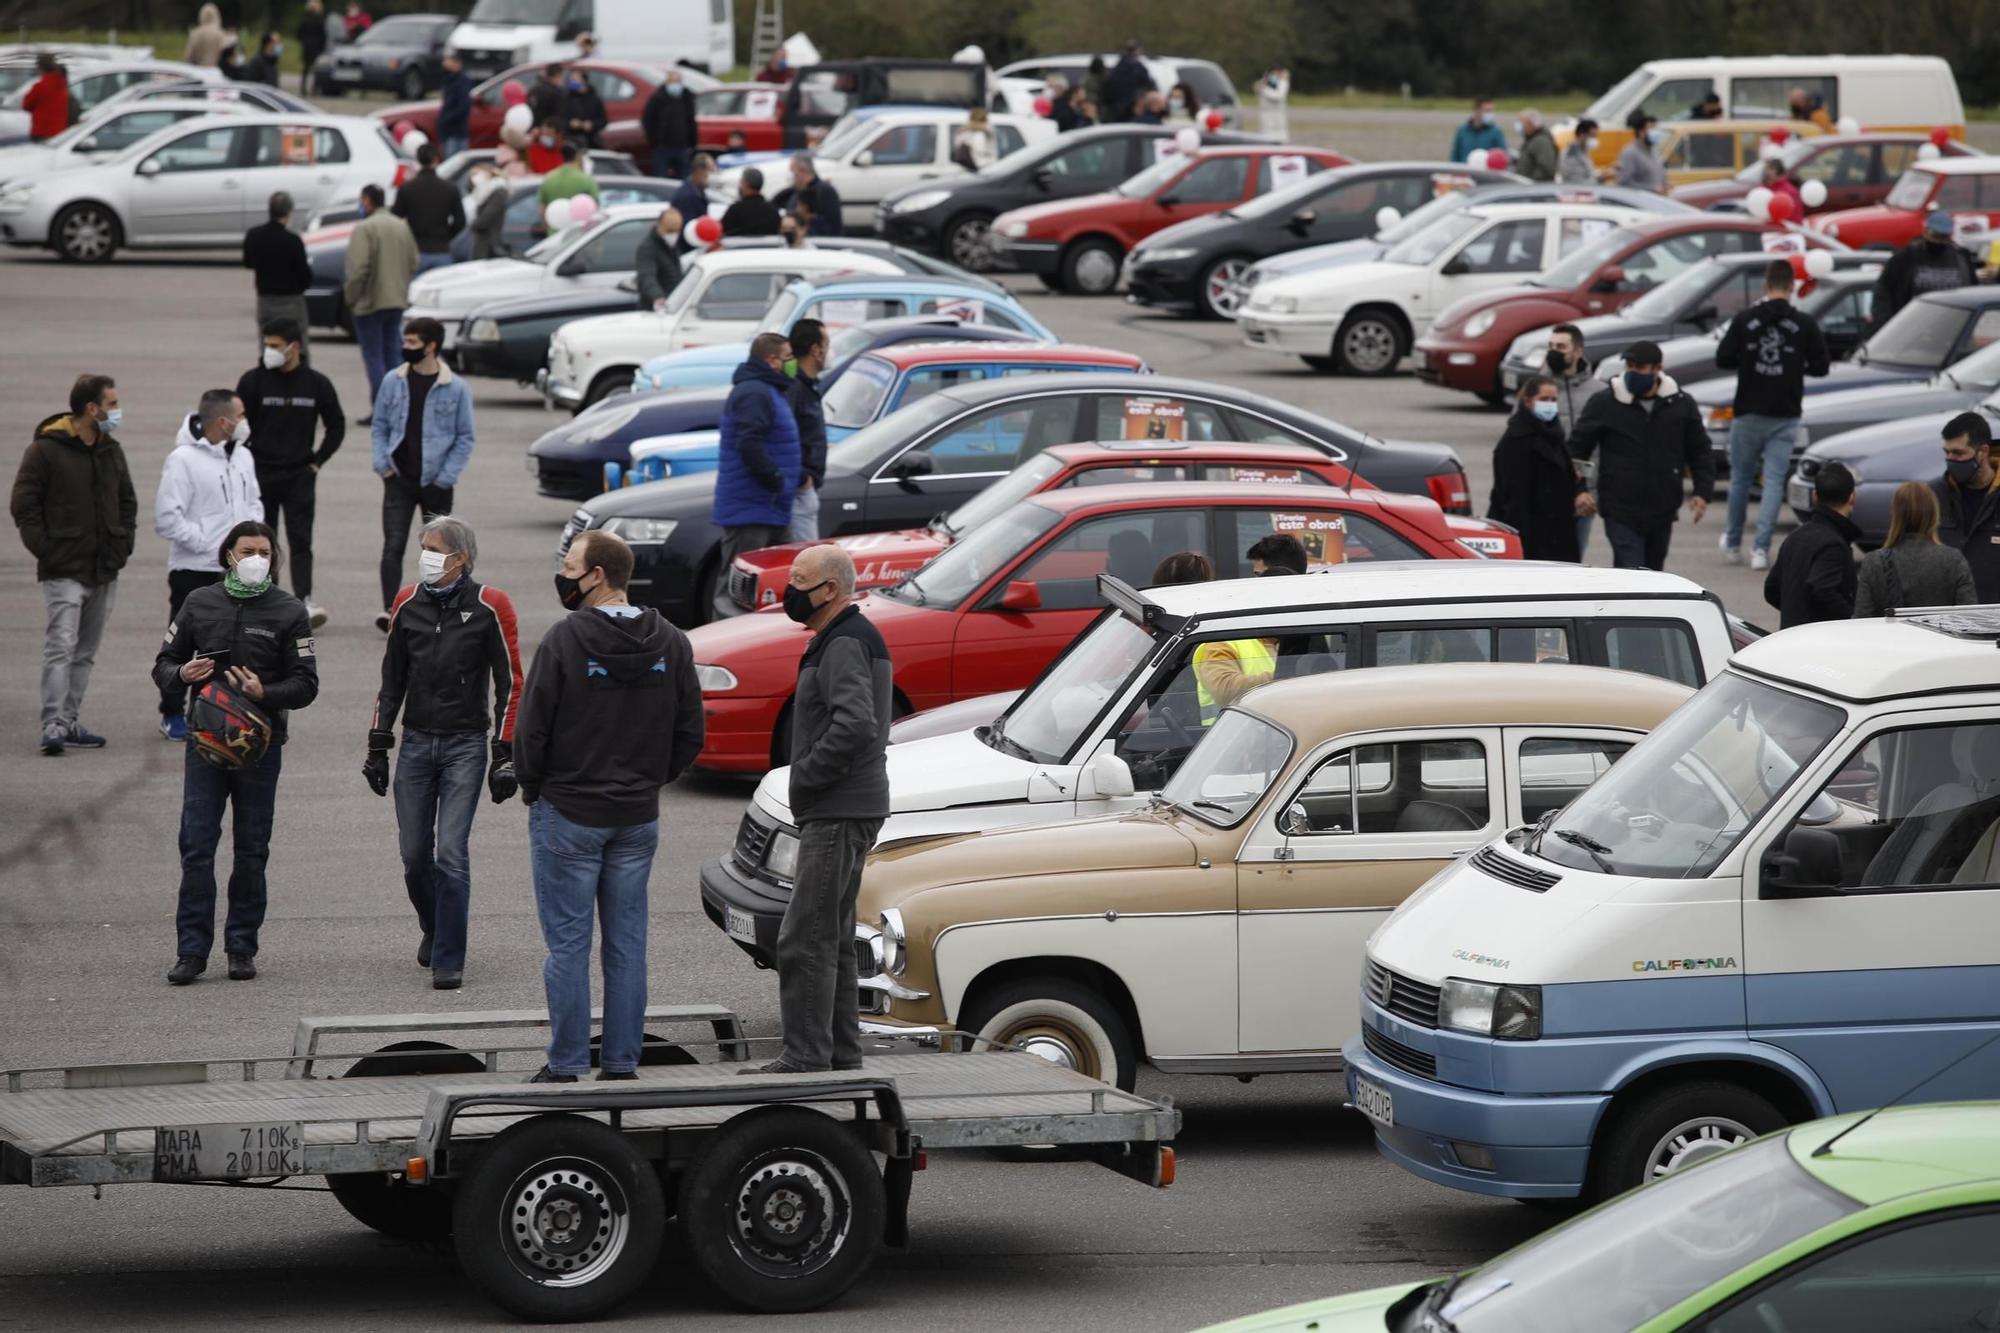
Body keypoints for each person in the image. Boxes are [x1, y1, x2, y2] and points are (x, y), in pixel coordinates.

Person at [516, 529, 702, 1080]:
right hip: (636, 815)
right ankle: (621, 1062)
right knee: (627, 945)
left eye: (571, 566)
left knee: (568, 946)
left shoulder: (566, 639)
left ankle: (568, 1063)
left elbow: (532, 729)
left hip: (569, 811)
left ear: (597, 575)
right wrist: (650, 779)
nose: (564, 575)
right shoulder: (671, 641)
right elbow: (690, 731)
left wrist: (534, 787)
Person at [157, 519, 319, 986]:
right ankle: (191, 951)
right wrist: (183, 675)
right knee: (197, 847)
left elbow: (306, 685)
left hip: (260, 749)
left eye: (265, 553)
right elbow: (163, 665)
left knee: (251, 850)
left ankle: (241, 948)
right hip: (205, 747)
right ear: (228, 554)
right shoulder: (198, 602)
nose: (256, 559)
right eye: (247, 550)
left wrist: (264, 690)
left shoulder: (289, 611)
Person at [750, 544, 891, 1074]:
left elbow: (854, 725)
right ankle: (838, 1056)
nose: (789, 590)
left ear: (829, 589)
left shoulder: (845, 642)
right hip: (843, 806)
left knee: (803, 935)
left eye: (800, 580)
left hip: (838, 807)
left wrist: (804, 776)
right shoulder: (843, 637)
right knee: (830, 938)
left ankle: (806, 1057)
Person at [367, 516, 522, 990]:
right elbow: (391, 679)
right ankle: (434, 927)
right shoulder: (406, 602)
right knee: (414, 855)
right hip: (415, 743)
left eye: (434, 548)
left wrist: (504, 752)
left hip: (465, 746)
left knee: (451, 852)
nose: (425, 557)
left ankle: (450, 956)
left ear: (461, 559)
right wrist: (378, 743)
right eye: (423, 547)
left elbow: (512, 683)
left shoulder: (492, 605)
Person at [13, 374, 133, 756]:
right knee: (60, 646)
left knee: (85, 651)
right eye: (112, 404)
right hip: (64, 568)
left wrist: (122, 544)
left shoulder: (111, 449)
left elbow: (127, 501)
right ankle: (52, 722)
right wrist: (47, 550)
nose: (117, 411)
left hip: (104, 567)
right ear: (91, 409)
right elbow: (24, 506)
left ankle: (69, 718)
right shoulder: (46, 451)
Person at [155, 389, 264, 742]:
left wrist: (251, 549)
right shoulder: (183, 459)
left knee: (230, 643)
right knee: (184, 643)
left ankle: (217, 706)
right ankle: (172, 710)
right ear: (223, 421)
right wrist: (212, 546)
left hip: (237, 570)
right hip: (194, 569)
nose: (246, 422)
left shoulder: (243, 456)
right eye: (242, 415)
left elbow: (254, 503)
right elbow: (167, 519)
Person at [1716, 259, 1830, 571]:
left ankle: (1733, 541)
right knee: (1774, 482)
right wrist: (1795, 366)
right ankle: (1761, 550)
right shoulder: (1804, 324)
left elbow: (1723, 357)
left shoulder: (1745, 319)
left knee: (1740, 479)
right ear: (1792, 287)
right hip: (1786, 412)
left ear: (1766, 286)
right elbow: (1822, 366)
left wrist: (1747, 360)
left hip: (1748, 410)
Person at [1568, 339, 1713, 571]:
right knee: (1631, 569)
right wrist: (1580, 489)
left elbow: (1699, 450)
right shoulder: (1605, 402)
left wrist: (1702, 492)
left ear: (1657, 369)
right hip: (1619, 507)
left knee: (1654, 573)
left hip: (1663, 508)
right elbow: (1577, 449)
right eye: (1630, 367)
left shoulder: (1681, 404)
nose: (1633, 373)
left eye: (1640, 367)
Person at [371, 317, 476, 628]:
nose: (406, 348)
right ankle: (390, 609)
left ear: (432, 346)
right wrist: (384, 466)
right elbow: (380, 427)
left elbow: (465, 437)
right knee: (393, 545)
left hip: (436, 482)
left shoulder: (455, 387)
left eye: (413, 343)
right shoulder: (393, 381)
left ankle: (439, 606)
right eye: (405, 342)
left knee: (440, 549)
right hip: (399, 479)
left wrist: (444, 478)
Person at [237, 319, 341, 628]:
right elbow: (239, 427)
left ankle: (304, 600)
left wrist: (317, 461)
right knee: (260, 542)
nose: (269, 351)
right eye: (266, 345)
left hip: (299, 475)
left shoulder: (316, 383)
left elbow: (336, 424)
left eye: (274, 345)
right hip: (261, 476)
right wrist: (246, 463)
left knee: (300, 540)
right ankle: (265, 597)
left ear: (294, 347)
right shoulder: (253, 381)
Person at [710, 333, 800, 619]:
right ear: (772, 360)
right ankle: (718, 650)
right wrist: (775, 479)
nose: (792, 364)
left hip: (768, 505)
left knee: (768, 583)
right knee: (736, 587)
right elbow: (749, 444)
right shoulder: (754, 392)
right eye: (788, 358)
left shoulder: (768, 390)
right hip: (752, 506)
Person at [1489, 374, 1589, 562]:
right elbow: (1513, 498)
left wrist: (1579, 490)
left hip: (1558, 532)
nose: (1550, 405)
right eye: (1544, 399)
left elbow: (1568, 473)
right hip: (1532, 537)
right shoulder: (1516, 440)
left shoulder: (1554, 434)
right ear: (1527, 401)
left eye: (1553, 400)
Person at [343, 184, 419, 415]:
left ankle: (381, 409)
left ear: (366, 201)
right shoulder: (401, 226)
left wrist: (352, 297)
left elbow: (358, 269)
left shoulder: (365, 228)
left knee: (374, 357)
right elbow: (414, 261)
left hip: (370, 303)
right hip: (396, 300)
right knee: (393, 354)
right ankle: (398, 405)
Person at [1854, 481, 1978, 616]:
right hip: (1939, 637)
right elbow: (1969, 617)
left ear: (1895, 515)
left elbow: (1861, 619)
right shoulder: (1953, 560)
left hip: (1890, 637)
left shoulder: (1873, 562)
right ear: (1934, 515)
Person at [1764, 461, 1859, 628]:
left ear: (1815, 496)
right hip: (1821, 644)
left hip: (1790, 637)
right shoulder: (1833, 545)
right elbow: (1822, 589)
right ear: (1852, 498)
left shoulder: (1795, 537)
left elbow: (1772, 589)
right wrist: (1852, 619)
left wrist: (1794, 611)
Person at [1540, 323, 1598, 554]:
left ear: (1578, 352)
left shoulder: (1597, 392)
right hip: (1547, 492)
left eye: (1561, 346)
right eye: (1551, 346)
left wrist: (1593, 492)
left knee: (1574, 560)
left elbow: (1603, 447)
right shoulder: (1536, 389)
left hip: (1583, 496)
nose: (1554, 351)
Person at [1934, 410, 2000, 602]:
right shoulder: (1934, 495)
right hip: (1942, 615)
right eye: (1947, 452)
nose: (1951, 460)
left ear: (1983, 452)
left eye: (1958, 453)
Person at [1872, 211, 1977, 328]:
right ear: (1925, 231)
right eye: (1935, 235)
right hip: (1910, 329)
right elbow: (1884, 289)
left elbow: (1972, 293)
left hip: (1951, 330)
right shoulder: (1907, 257)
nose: (1938, 241)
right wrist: (1885, 324)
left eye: (1943, 237)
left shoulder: (1961, 259)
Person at [241, 191, 312, 352]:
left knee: (269, 347)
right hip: (292, 302)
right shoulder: (293, 240)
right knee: (296, 349)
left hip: (266, 300)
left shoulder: (254, 235)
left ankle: (268, 377)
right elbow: (305, 276)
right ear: (288, 212)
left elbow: (248, 262)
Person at [787, 319, 829, 542]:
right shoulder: (796, 388)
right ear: (815, 350)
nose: (828, 352)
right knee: (806, 561)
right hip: (800, 490)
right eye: (826, 345)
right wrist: (803, 479)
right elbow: (786, 437)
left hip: (805, 487)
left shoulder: (808, 386)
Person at [393, 144, 465, 274]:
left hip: (416, 250)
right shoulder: (449, 188)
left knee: (415, 291)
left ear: (418, 160)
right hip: (441, 250)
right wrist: (446, 236)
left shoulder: (407, 188)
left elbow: (395, 218)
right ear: (436, 160)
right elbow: (460, 221)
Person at [641, 67, 698, 181]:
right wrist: (655, 141)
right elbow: (647, 121)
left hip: (682, 146)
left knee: (684, 177)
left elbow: (691, 121)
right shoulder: (658, 98)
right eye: (672, 82)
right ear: (667, 82)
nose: (675, 85)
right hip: (663, 147)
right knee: (661, 177)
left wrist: (692, 142)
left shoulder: (686, 98)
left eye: (677, 82)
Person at [771, 154, 842, 238]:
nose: (790, 175)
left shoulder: (826, 192)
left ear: (802, 171)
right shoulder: (793, 192)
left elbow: (834, 227)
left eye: (792, 170)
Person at [636, 207, 684, 310]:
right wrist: (657, 296)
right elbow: (647, 276)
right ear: (659, 226)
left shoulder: (671, 246)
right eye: (669, 231)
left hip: (674, 304)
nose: (673, 235)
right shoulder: (647, 248)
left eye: (676, 231)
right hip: (655, 308)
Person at [536, 142, 601, 212]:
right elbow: (595, 206)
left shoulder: (549, 178)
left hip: (555, 222)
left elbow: (542, 208)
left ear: (561, 157)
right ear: (577, 156)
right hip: (581, 222)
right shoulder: (586, 179)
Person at [722, 166, 781, 237]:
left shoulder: (735, 210)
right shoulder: (772, 210)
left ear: (745, 183)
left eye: (741, 181)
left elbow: (721, 231)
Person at [1103, 41, 1154, 123]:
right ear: (1137, 50)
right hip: (1130, 109)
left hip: (1116, 109)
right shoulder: (1138, 68)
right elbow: (1148, 85)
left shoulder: (1118, 67)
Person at [21, 55, 69, 142]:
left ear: (40, 68)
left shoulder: (39, 87)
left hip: (41, 131)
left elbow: (25, 105)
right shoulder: (62, 84)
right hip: (60, 132)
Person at [1614, 114, 1666, 192]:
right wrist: (1651, 188)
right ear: (1641, 132)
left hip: (1655, 200)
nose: (1656, 133)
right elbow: (1624, 183)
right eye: (1652, 129)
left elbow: (1659, 173)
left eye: (1656, 129)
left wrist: (1665, 184)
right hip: (1640, 201)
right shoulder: (1630, 153)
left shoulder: (1654, 150)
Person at [670, 153, 713, 245]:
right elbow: (687, 230)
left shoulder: (697, 192)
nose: (712, 176)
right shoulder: (688, 196)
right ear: (700, 171)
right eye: (710, 171)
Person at [436, 54, 473, 160]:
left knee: (455, 162)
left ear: (457, 64)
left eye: (448, 61)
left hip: (456, 132)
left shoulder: (462, 81)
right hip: (448, 131)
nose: (444, 63)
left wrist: (446, 120)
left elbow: (463, 106)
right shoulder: (448, 79)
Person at [468, 168, 510, 258]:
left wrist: (474, 224)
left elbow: (485, 218)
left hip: (489, 245)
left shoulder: (498, 192)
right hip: (483, 243)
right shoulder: (483, 192)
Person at [1450, 96, 1506, 163]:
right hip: (1465, 171)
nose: (1490, 114)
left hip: (1486, 173)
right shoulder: (1462, 131)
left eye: (1492, 111)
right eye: (1487, 111)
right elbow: (1454, 157)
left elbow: (1503, 156)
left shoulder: (1496, 132)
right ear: (1476, 111)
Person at [562, 69, 607, 149]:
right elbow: (560, 118)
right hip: (571, 138)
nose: (572, 82)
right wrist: (569, 123)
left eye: (575, 80)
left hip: (591, 140)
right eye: (571, 80)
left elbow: (603, 120)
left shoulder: (594, 99)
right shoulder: (566, 98)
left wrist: (592, 124)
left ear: (584, 81)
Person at [1516, 108, 1557, 182]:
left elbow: (1548, 168)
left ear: (1531, 124)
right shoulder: (1532, 140)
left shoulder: (1541, 142)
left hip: (1536, 188)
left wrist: (1530, 180)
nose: (1519, 126)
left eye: (1521, 123)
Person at [297, 1, 326, 96]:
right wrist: (322, 46)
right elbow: (322, 35)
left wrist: (304, 41)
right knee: (316, 68)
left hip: (306, 46)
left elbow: (299, 33)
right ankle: (314, 88)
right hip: (316, 46)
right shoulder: (319, 19)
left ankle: (303, 88)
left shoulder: (304, 19)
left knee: (306, 68)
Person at [953, 107, 996, 171]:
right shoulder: (980, 134)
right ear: (983, 120)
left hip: (965, 168)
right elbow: (981, 151)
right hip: (983, 168)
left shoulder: (962, 133)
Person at [1558, 118, 1599, 184]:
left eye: (1596, 136)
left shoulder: (1582, 151)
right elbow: (1577, 183)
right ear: (1582, 135)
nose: (1595, 139)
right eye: (1592, 136)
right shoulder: (1570, 155)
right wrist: (1601, 178)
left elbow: (1587, 173)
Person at [527, 64, 566, 129]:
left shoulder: (533, 90)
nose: (562, 80)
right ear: (557, 75)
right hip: (549, 132)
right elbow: (558, 117)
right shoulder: (556, 93)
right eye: (562, 77)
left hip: (532, 131)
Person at [1258, 66, 1290, 141]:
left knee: (1279, 135)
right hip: (1266, 113)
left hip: (1277, 113)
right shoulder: (1265, 82)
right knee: (1265, 134)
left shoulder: (1283, 83)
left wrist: (1264, 90)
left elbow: (1278, 96)